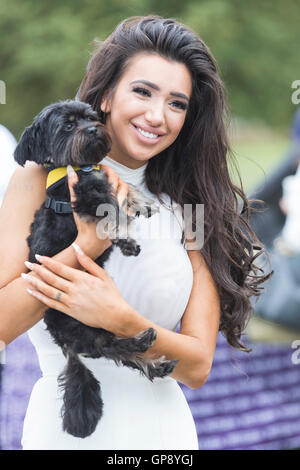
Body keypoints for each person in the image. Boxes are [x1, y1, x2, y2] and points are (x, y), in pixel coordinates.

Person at [0, 15, 269, 450]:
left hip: (165, 437)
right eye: (142, 92)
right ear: (107, 95)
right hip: (65, 431)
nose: (157, 115)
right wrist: (87, 246)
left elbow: (198, 365)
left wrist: (122, 321)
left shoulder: (190, 204)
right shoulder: (40, 179)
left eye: (177, 103)